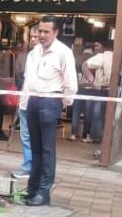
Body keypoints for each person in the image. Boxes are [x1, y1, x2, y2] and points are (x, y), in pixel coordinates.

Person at [21, 16, 77, 207]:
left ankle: (44, 193)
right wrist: (24, 102)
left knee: (47, 149)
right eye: (39, 31)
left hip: (50, 101)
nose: (42, 35)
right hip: (33, 101)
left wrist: (62, 104)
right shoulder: (34, 52)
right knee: (34, 148)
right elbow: (28, 80)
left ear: (55, 33)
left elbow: (71, 83)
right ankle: (32, 188)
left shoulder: (63, 52)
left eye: (46, 32)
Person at [11, 39, 36, 180]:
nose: (34, 39)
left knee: (38, 138)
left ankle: (36, 168)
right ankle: (28, 166)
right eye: (32, 36)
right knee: (26, 136)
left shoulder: (59, 53)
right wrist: (21, 98)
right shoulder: (30, 56)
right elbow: (25, 80)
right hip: (25, 101)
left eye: (37, 35)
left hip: (41, 103)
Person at [81, 42, 113, 144]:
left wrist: (92, 80)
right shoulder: (121, 57)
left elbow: (84, 65)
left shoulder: (102, 56)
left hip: (101, 89)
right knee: (107, 115)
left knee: (97, 114)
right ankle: (107, 138)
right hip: (112, 90)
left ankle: (97, 137)